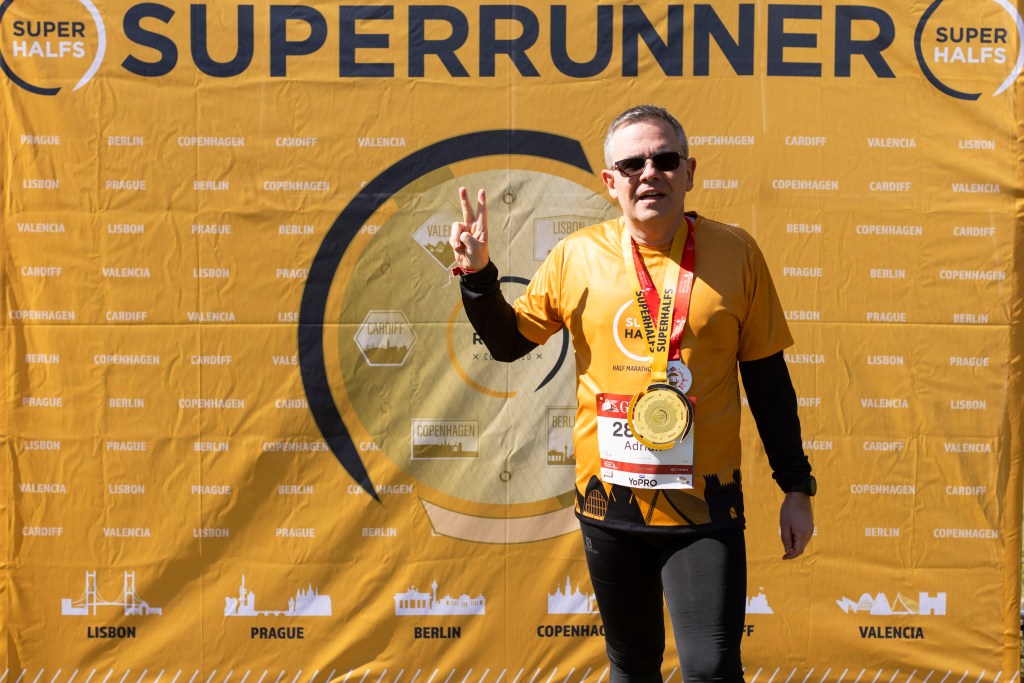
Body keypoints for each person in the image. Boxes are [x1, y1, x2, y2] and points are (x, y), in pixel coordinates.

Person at [449, 105, 815, 682]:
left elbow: (768, 382)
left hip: (703, 505)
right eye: (632, 164)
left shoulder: (737, 253)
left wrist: (795, 486)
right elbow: (508, 343)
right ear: (610, 180)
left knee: (711, 669)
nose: (650, 174)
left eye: (665, 160)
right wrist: (477, 276)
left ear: (689, 172)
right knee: (633, 666)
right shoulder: (576, 256)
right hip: (610, 505)